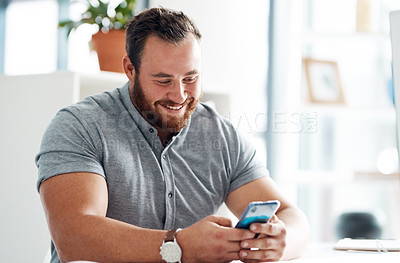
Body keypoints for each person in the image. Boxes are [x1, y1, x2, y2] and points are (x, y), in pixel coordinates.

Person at [36, 7, 309, 263]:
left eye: (190, 79)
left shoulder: (222, 136)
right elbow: (73, 237)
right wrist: (178, 245)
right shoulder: (79, 126)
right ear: (130, 69)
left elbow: (290, 216)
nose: (179, 95)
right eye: (163, 80)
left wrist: (282, 241)